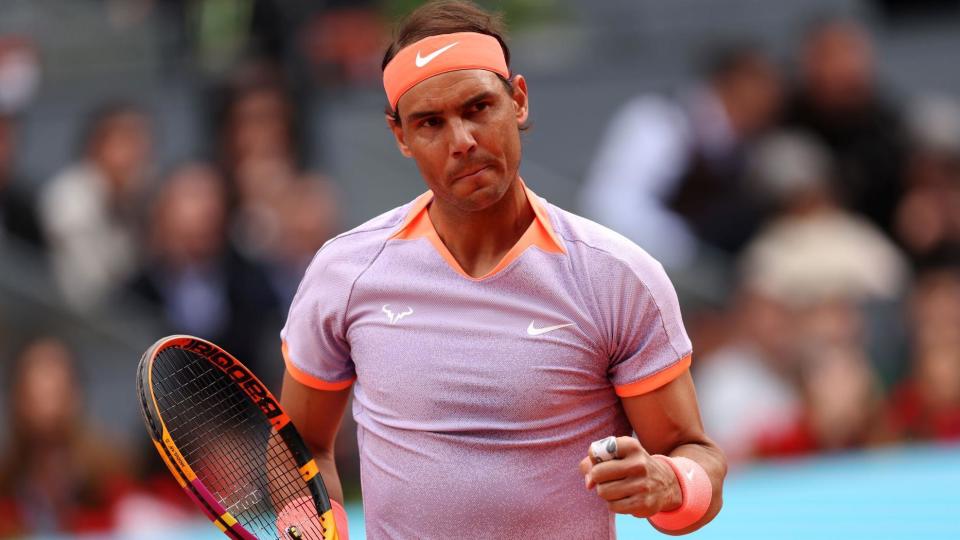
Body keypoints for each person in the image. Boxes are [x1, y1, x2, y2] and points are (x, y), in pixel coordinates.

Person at [279, 2, 726, 538]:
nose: (462, 140)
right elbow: (299, 451)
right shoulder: (344, 272)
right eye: (430, 123)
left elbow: (693, 458)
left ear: (517, 99)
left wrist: (670, 482)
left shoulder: (617, 276)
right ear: (400, 137)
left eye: (477, 107)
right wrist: (303, 521)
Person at [580, 43, 782, 269]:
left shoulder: (755, 142)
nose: (770, 95)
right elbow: (610, 206)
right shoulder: (659, 120)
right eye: (758, 81)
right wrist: (690, 249)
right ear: (730, 81)